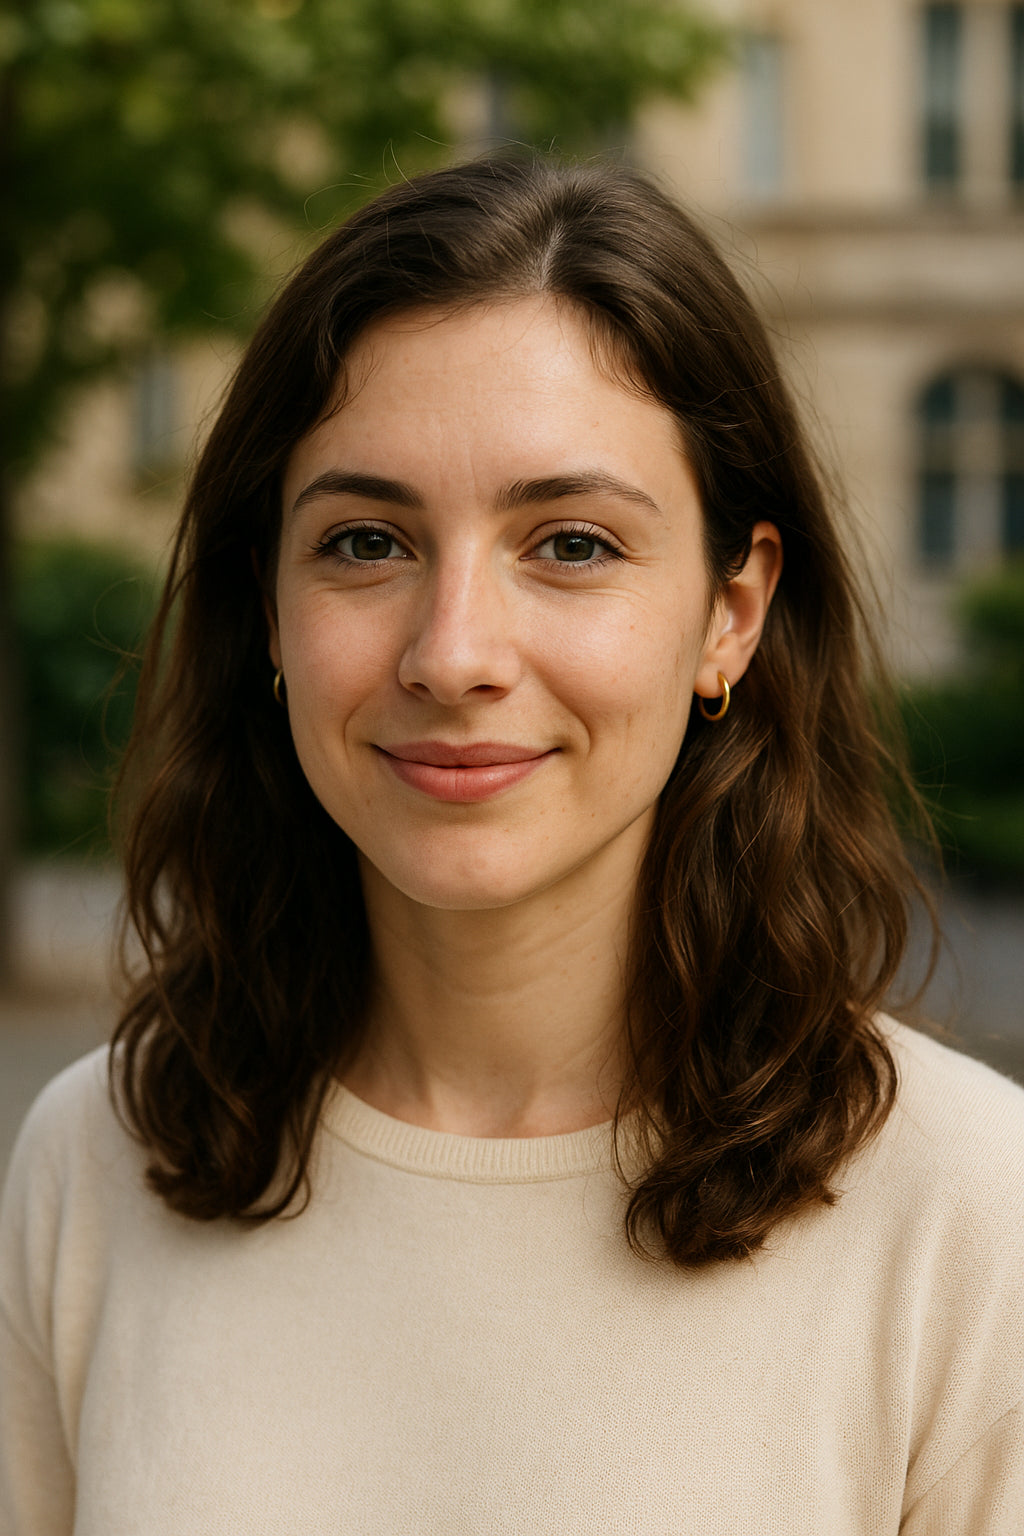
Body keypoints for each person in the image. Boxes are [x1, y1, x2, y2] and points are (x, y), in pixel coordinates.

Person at [2, 153, 1022, 1535]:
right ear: (268, 612)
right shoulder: (94, 1166)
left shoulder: (971, 1217)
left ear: (732, 612)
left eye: (574, 545)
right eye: (366, 541)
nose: (455, 651)